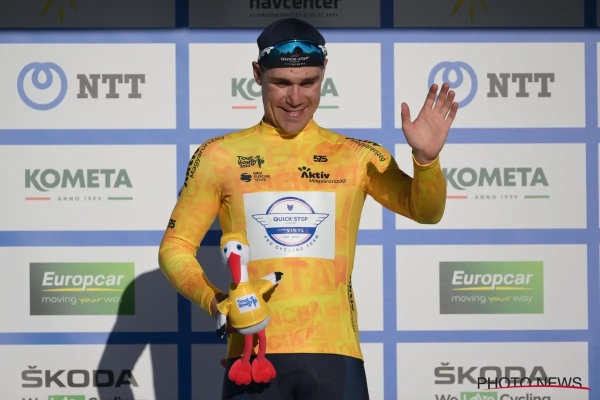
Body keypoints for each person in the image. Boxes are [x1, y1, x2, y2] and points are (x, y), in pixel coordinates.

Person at [158, 18, 458, 400]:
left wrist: (426, 161)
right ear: (258, 74)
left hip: (335, 356)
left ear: (324, 74)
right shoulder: (220, 155)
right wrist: (215, 301)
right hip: (253, 355)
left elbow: (426, 211)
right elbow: (175, 247)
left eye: (309, 83)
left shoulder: (357, 156)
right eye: (282, 83)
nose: (296, 98)